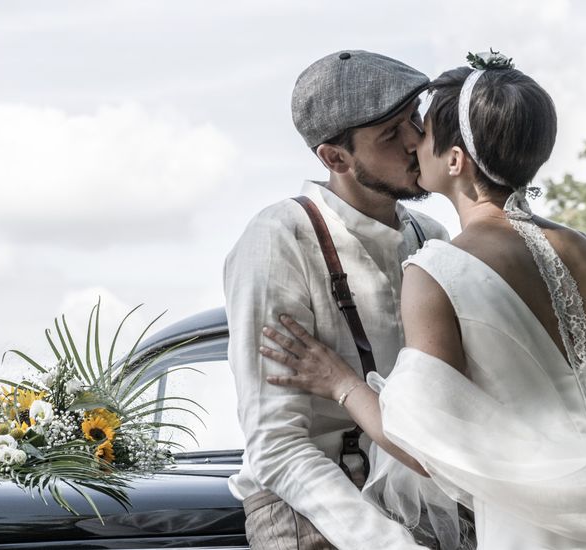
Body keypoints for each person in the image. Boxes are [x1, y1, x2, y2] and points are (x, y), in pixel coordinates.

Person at [260, 51, 586, 549]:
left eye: (421, 131)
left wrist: (341, 384)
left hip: (531, 532)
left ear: (454, 160)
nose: (412, 144)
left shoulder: (436, 269)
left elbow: (422, 444)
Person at [224, 50, 450, 549]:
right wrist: (387, 543)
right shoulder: (280, 237)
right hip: (310, 512)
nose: (417, 140)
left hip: (424, 504)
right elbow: (277, 445)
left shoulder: (431, 237)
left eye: (414, 119)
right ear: (335, 158)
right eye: (391, 134)